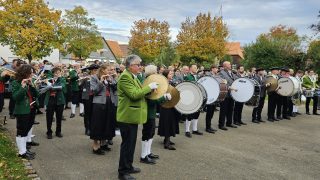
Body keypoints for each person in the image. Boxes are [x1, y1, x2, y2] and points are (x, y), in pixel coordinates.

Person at [117, 55, 158, 180]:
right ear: (130, 66)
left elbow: (139, 93)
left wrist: (150, 91)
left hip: (132, 117)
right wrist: (148, 88)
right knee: (127, 145)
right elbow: (134, 95)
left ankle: (128, 166)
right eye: (138, 64)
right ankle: (122, 172)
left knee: (131, 144)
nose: (140, 66)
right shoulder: (125, 77)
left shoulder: (132, 76)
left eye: (140, 64)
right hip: (127, 116)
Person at [139, 65, 171, 164]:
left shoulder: (151, 82)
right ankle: (143, 156)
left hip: (151, 112)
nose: (157, 74)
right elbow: (151, 101)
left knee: (151, 133)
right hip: (148, 112)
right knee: (147, 133)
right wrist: (164, 97)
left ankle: (148, 153)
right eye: (156, 72)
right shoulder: (148, 83)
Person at [12, 64, 39, 160]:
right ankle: (21, 152)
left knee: (27, 130)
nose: (32, 74)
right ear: (25, 73)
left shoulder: (30, 82)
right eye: (30, 73)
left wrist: (32, 86)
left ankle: (24, 149)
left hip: (31, 109)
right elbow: (16, 98)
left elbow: (37, 94)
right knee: (21, 131)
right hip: (22, 110)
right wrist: (23, 87)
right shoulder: (16, 83)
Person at [90, 64, 114, 155]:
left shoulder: (109, 77)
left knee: (106, 123)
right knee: (98, 124)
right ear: (103, 70)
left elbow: (114, 88)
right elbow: (94, 91)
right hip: (99, 103)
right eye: (108, 69)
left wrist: (111, 80)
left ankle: (103, 143)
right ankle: (95, 146)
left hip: (108, 102)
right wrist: (101, 81)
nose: (110, 71)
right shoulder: (94, 77)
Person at [158, 69, 179, 150]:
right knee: (167, 122)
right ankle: (167, 143)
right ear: (166, 75)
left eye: (172, 74)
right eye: (170, 74)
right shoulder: (163, 83)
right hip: (165, 105)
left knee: (170, 122)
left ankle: (167, 139)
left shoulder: (170, 82)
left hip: (171, 105)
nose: (172, 75)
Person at [43, 67, 66, 139]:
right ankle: (49, 132)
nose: (57, 74)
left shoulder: (62, 79)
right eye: (56, 73)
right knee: (49, 117)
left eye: (59, 72)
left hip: (59, 100)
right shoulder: (49, 79)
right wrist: (46, 82)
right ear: (53, 73)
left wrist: (49, 84)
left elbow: (61, 87)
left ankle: (58, 131)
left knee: (59, 117)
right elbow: (43, 88)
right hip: (50, 100)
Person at [184, 64, 203, 138]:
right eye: (194, 67)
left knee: (197, 114)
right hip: (191, 97)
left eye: (196, 68)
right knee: (190, 114)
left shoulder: (197, 76)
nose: (196, 69)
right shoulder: (187, 76)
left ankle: (195, 129)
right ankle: (187, 130)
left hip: (198, 97)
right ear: (190, 68)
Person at [218, 61, 237, 130]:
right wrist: (229, 87)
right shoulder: (221, 73)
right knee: (223, 110)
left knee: (231, 109)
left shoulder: (232, 73)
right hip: (225, 94)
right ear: (225, 66)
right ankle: (221, 124)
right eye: (229, 64)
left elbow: (236, 80)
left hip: (232, 94)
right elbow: (221, 82)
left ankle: (229, 123)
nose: (230, 65)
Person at [82, 64, 99, 136]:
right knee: (87, 113)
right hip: (88, 97)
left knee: (94, 113)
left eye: (97, 70)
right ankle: (87, 128)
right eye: (95, 70)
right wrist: (84, 80)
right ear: (91, 71)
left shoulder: (98, 77)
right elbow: (80, 85)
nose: (96, 72)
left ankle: (93, 128)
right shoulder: (86, 77)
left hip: (96, 97)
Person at [204, 65, 218, 133]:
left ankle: (209, 126)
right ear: (212, 69)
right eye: (216, 68)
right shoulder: (208, 74)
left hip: (214, 96)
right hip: (209, 96)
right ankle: (207, 127)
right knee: (209, 113)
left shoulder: (216, 75)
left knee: (212, 112)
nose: (217, 70)